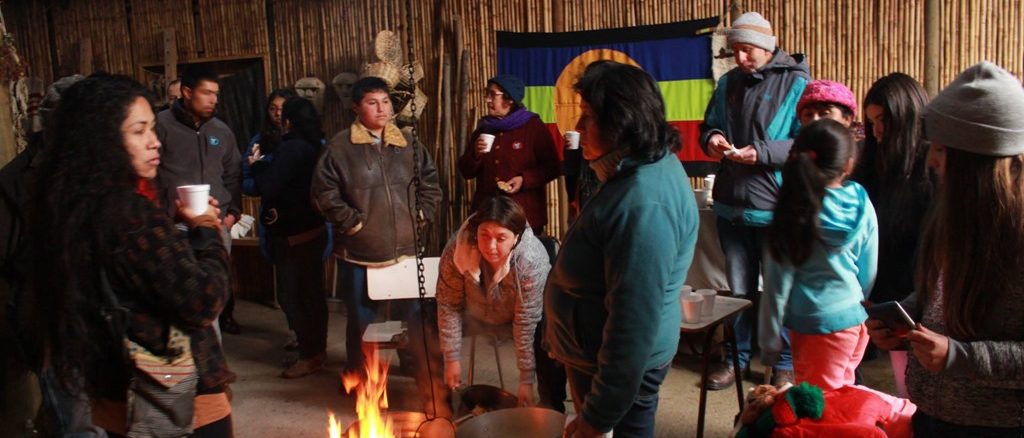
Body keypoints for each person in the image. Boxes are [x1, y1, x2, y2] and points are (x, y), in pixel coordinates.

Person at [19, 73, 233, 437]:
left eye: (152, 128)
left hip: (117, 397)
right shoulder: (130, 214)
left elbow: (139, 273)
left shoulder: (74, 205)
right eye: (138, 131)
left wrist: (174, 230)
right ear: (101, 139)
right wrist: (207, 230)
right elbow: (202, 300)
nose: (154, 142)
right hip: (175, 403)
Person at [867, 61, 1024, 435]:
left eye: (940, 148)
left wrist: (960, 357)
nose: (932, 160)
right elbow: (937, 295)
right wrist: (905, 316)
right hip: (932, 416)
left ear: (978, 159)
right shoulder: (955, 217)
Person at [545, 61, 699, 438]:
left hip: (619, 366)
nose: (578, 127)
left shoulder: (644, 204)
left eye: (587, 117)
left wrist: (597, 418)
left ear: (621, 123)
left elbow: (632, 322)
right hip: (596, 353)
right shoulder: (633, 169)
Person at [698, 11, 810, 390]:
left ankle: (783, 364)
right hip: (731, 205)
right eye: (735, 51)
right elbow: (709, 124)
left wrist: (761, 153)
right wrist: (713, 137)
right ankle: (736, 359)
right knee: (738, 293)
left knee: (780, 292)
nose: (740, 58)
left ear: (767, 46)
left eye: (747, 50)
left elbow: (806, 141)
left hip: (776, 208)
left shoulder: (796, 82)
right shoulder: (728, 83)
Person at [311, 76, 441, 374]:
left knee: (414, 317)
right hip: (361, 253)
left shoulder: (408, 143)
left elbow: (430, 183)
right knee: (361, 320)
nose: (382, 109)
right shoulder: (340, 147)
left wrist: (422, 214)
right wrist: (353, 224)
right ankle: (360, 376)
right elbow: (323, 194)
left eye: (385, 102)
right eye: (372, 102)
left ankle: (415, 368)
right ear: (356, 108)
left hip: (407, 250)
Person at [416, 196, 563, 418]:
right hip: (472, 312)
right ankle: (440, 407)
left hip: (515, 316)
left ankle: (551, 410)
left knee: (551, 329)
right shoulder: (458, 250)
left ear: (516, 237)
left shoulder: (531, 259)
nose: (491, 246)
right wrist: (451, 357)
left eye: (501, 238)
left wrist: (525, 380)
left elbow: (526, 320)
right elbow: (449, 304)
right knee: (422, 321)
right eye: (484, 235)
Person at [760, 119, 878, 392]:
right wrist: (859, 304)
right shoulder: (860, 199)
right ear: (848, 165)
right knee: (843, 393)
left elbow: (776, 287)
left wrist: (769, 341)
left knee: (820, 403)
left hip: (815, 328)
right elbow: (869, 266)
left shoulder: (792, 209)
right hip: (855, 319)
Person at [850, 73, 932, 395]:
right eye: (871, 122)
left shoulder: (931, 165)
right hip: (882, 294)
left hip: (919, 292)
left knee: (915, 386)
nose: (877, 131)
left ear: (907, 116)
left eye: (883, 120)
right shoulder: (872, 162)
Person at [156, 65, 243, 335]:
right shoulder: (160, 126)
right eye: (206, 93)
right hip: (175, 226)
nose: (213, 100)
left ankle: (211, 353)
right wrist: (162, 216)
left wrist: (232, 214)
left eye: (216, 94)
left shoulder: (221, 130)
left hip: (215, 225)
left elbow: (233, 174)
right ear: (186, 92)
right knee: (178, 297)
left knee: (212, 298)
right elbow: (149, 175)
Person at [251, 97, 329, 378]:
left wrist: (257, 165)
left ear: (288, 122)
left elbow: (268, 187)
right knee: (313, 296)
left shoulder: (291, 148)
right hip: (314, 231)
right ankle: (316, 352)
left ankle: (309, 355)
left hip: (294, 237)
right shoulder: (317, 146)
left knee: (292, 296)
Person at [458, 74, 559, 235]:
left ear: (509, 99)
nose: (487, 100)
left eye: (493, 95)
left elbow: (553, 167)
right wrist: (475, 154)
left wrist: (524, 180)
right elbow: (466, 171)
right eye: (487, 94)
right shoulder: (484, 129)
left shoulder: (533, 127)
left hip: (524, 217)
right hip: (487, 217)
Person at [796, 79, 863, 140]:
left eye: (824, 113)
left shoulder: (863, 148)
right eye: (808, 114)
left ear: (847, 119)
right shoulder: (795, 148)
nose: (815, 119)